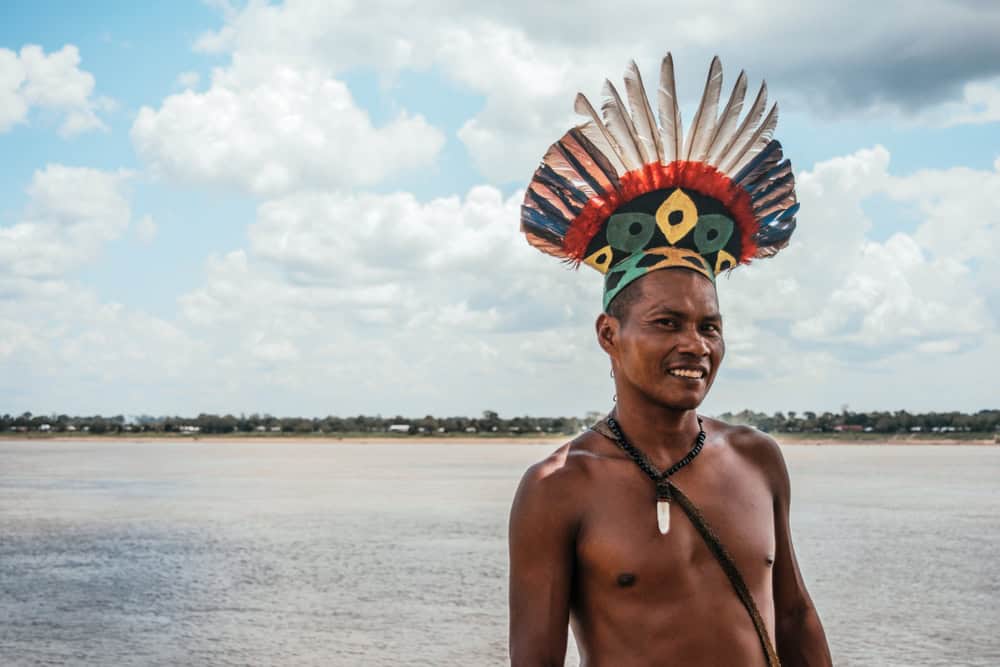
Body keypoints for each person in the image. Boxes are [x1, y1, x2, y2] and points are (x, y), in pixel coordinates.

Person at [508, 53, 833, 666]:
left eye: (710, 325)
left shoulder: (757, 459)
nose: (697, 345)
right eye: (668, 323)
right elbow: (535, 660)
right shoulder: (559, 488)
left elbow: (793, 616)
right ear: (609, 334)